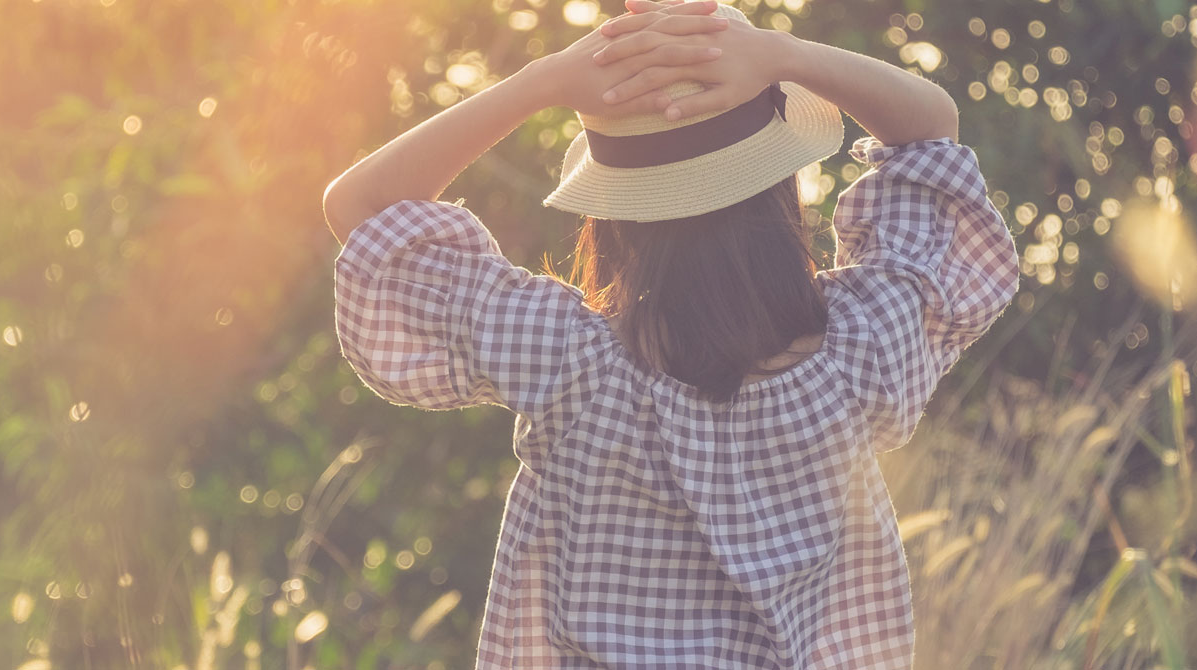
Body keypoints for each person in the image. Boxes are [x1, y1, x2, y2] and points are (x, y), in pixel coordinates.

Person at [322, 1, 1021, 667]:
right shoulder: (865, 351)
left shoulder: (563, 358)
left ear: (614, 215)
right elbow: (931, 131)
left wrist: (546, 80)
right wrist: (783, 55)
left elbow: (361, 204)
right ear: (783, 186)